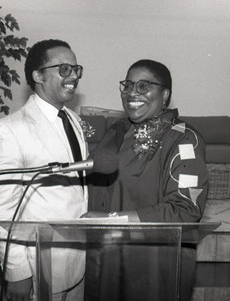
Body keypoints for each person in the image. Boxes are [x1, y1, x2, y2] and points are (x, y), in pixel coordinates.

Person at [83, 59, 209, 301]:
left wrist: (110, 220)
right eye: (128, 85)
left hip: (153, 262)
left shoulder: (184, 140)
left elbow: (185, 210)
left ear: (165, 95)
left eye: (143, 86)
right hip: (106, 257)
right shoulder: (116, 131)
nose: (132, 93)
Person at [0, 39, 87, 301]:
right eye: (63, 69)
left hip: (76, 261)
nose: (73, 75)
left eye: (76, 69)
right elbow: (1, 209)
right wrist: (17, 272)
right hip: (39, 265)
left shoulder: (72, 119)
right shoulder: (9, 130)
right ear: (38, 75)